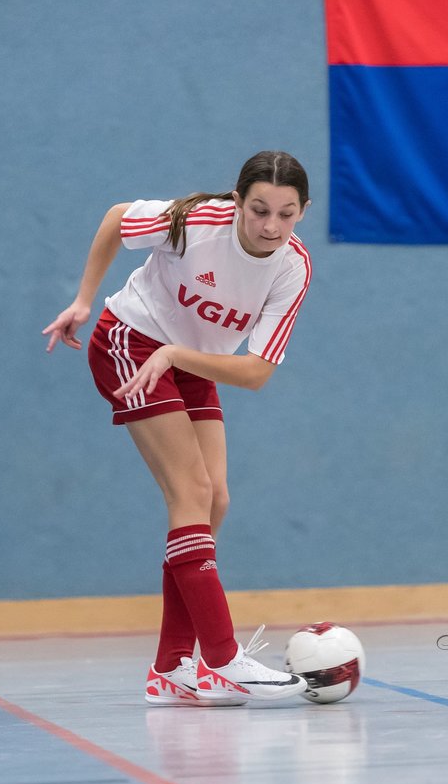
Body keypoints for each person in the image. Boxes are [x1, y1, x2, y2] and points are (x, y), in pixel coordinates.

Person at [44, 151, 313, 706]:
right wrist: (83, 300)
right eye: (259, 209)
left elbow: (257, 373)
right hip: (130, 342)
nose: (270, 227)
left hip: (181, 358)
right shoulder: (195, 223)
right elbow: (118, 218)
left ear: (302, 213)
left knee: (213, 501)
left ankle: (171, 668)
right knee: (189, 492)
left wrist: (176, 355)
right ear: (236, 202)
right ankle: (221, 656)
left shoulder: (293, 268)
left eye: (286, 215)